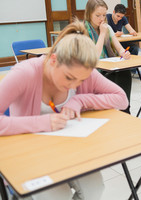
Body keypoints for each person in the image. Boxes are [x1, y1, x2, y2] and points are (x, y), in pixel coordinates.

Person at [0, 19, 128, 199]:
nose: (73, 86)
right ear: (53, 60)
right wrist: (42, 122)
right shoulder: (25, 73)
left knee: (95, 189)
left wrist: (80, 100)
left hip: (69, 150)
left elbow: (122, 99)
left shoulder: (83, 70)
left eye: (80, 81)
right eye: (69, 78)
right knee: (57, 196)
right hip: (30, 154)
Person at [84, 0, 132, 113]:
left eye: (104, 15)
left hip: (107, 68)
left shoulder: (107, 27)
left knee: (124, 72)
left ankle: (125, 109)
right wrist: (102, 34)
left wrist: (124, 53)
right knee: (115, 77)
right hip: (92, 73)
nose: (102, 19)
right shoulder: (83, 30)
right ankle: (119, 110)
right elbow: (94, 57)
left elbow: (119, 48)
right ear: (89, 14)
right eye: (98, 15)